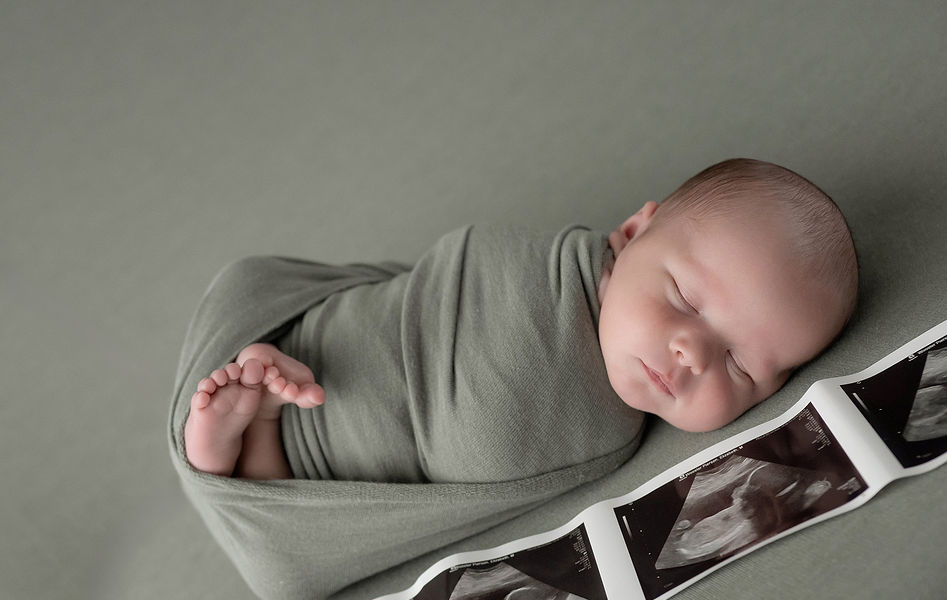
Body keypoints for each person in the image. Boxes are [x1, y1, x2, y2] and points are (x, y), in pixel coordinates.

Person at [182, 158, 857, 481]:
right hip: (352, 339)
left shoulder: (606, 438)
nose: (692, 355)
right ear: (629, 233)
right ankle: (263, 378)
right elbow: (449, 274)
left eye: (742, 367)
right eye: (682, 296)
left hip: (341, 475)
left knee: (296, 554)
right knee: (337, 344)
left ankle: (254, 436)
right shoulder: (541, 267)